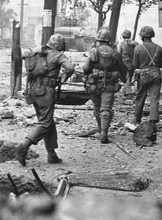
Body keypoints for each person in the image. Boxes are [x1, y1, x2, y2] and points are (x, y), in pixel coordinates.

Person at [15, 34, 75, 166]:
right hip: (46, 91)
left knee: (47, 121)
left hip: (33, 90)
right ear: (60, 45)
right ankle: (23, 146)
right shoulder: (58, 55)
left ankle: (51, 154)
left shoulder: (37, 52)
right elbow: (70, 68)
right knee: (45, 122)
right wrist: (64, 77)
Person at [82, 28, 127, 143]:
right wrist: (125, 80)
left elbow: (86, 68)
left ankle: (100, 129)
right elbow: (123, 69)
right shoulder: (115, 53)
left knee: (97, 107)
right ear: (109, 40)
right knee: (106, 108)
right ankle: (104, 134)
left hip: (94, 84)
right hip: (110, 84)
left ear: (98, 39)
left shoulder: (94, 51)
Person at [132, 26, 162, 131]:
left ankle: (137, 119)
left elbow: (135, 64)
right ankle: (153, 121)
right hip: (156, 74)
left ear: (142, 36)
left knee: (140, 97)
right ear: (152, 35)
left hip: (144, 75)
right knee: (154, 98)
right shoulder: (159, 48)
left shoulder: (138, 48)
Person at [118, 29, 138, 95]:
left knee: (126, 77)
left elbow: (119, 54)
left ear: (123, 36)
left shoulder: (121, 43)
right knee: (130, 75)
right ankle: (126, 91)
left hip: (124, 63)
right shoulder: (135, 43)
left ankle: (127, 92)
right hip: (133, 63)